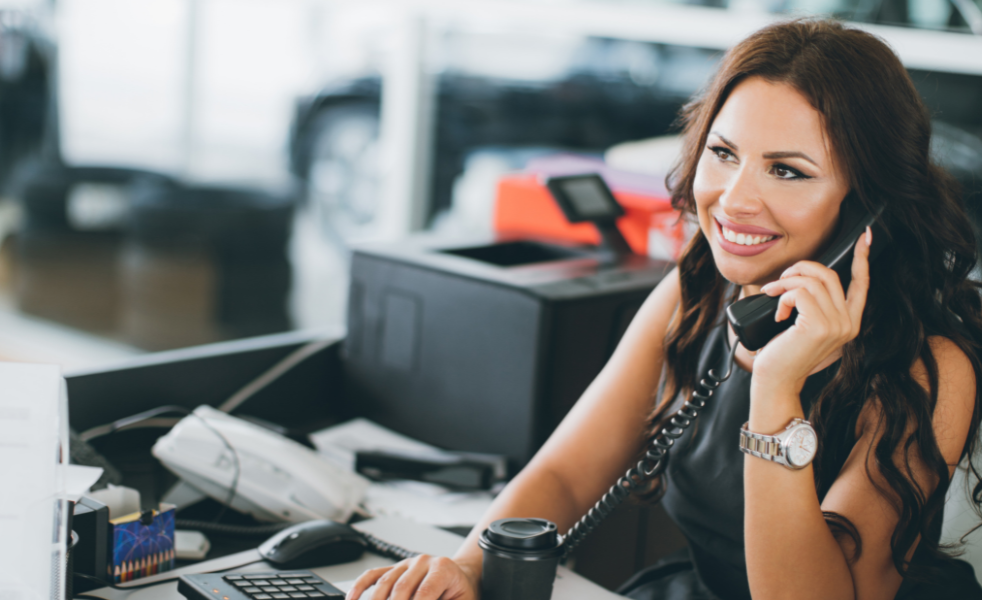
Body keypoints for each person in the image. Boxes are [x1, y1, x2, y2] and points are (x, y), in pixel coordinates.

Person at [346, 18, 982, 600]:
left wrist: (776, 387)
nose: (734, 201)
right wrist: (465, 567)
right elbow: (568, 475)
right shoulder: (701, 288)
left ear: (866, 204)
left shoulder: (929, 367)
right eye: (724, 153)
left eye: (787, 171)